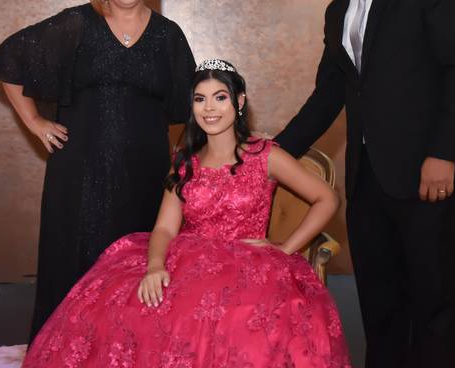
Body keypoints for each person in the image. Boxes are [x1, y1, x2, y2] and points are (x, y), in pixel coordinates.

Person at [21, 59, 351, 367]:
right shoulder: (184, 163)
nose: (209, 108)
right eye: (199, 99)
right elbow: (164, 229)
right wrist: (154, 266)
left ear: (239, 102)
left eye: (220, 97)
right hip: (189, 260)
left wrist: (286, 248)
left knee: (238, 328)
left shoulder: (264, 155)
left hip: (249, 267)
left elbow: (327, 199)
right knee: (118, 310)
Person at [275, 0, 455, 368]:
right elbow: (327, 97)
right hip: (367, 180)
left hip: (428, 173)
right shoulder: (337, 11)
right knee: (379, 300)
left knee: (431, 299)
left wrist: (444, 152)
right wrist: (271, 154)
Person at [0, 0, 195, 341]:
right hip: (79, 178)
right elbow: (9, 62)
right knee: (73, 272)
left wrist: (180, 159)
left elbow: (190, 107)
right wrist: (35, 122)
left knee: (136, 273)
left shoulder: (169, 35)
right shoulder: (77, 24)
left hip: (145, 176)